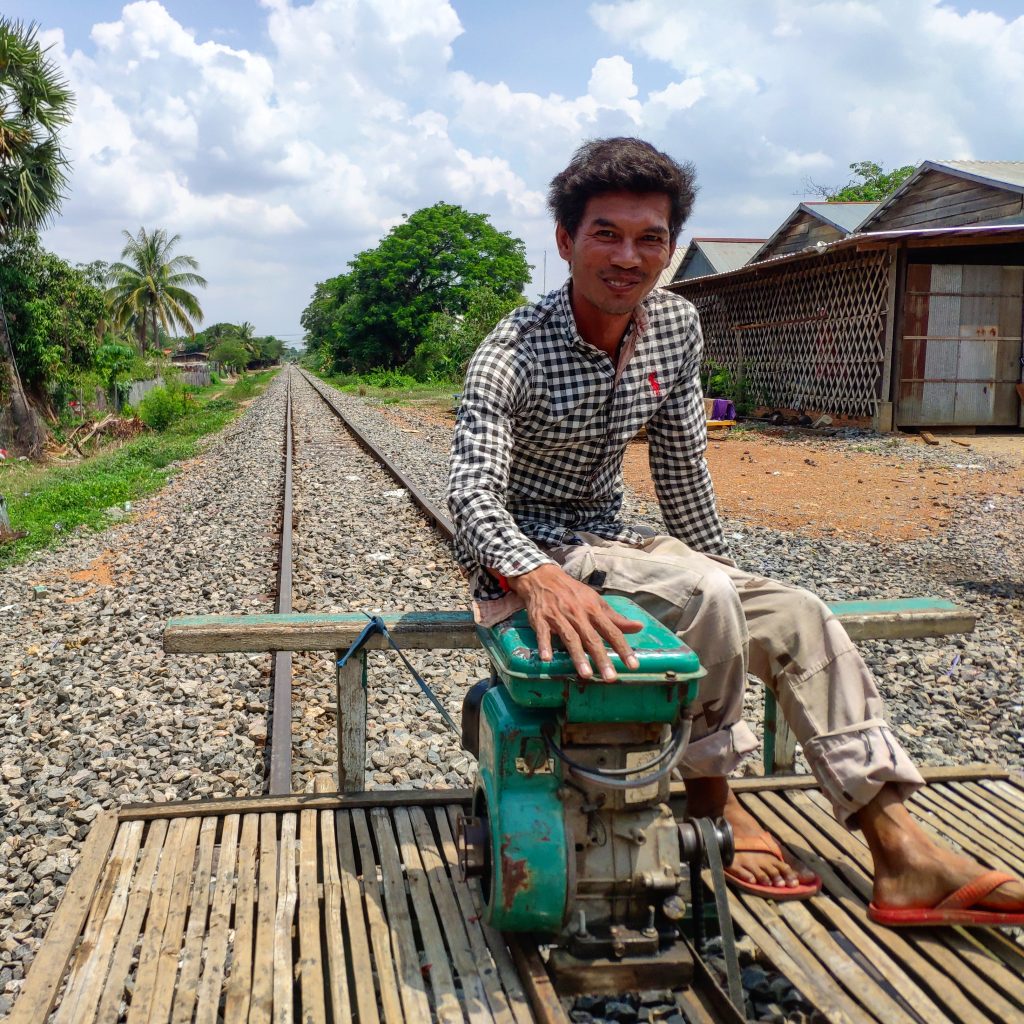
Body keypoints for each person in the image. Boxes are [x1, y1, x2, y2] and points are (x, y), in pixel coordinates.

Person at [447, 136, 1024, 926]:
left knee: (795, 611)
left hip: (612, 541)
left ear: (671, 247)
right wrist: (536, 577)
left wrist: (730, 584)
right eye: (606, 234)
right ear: (566, 241)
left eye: (650, 238)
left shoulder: (674, 326)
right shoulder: (510, 350)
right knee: (704, 594)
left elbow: (683, 472)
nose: (628, 257)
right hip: (529, 557)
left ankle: (901, 850)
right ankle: (716, 801)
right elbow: (471, 493)